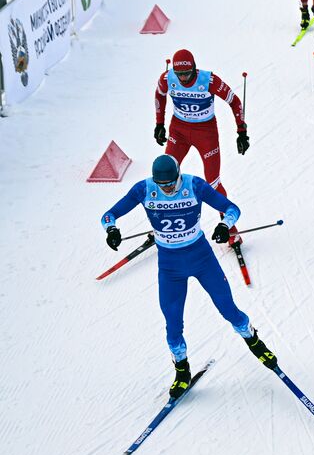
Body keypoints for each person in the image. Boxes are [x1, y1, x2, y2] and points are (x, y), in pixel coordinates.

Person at [101, 155, 280, 398]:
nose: (167, 189)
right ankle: (182, 370)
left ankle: (255, 342)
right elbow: (109, 215)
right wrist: (111, 230)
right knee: (173, 324)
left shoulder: (194, 185)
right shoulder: (144, 189)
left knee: (228, 309)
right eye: (162, 185)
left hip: (201, 259)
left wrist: (224, 225)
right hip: (170, 267)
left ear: (179, 175)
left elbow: (232, 208)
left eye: (171, 184)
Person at [154, 49, 248, 243]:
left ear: (195, 69)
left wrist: (242, 132)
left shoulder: (209, 80)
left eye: (187, 74)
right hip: (178, 132)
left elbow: (234, 101)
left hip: (205, 134)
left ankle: (229, 228)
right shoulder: (167, 78)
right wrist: (159, 124)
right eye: (179, 75)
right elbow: (159, 95)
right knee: (166, 175)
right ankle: (165, 225)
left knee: (213, 182)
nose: (183, 79)